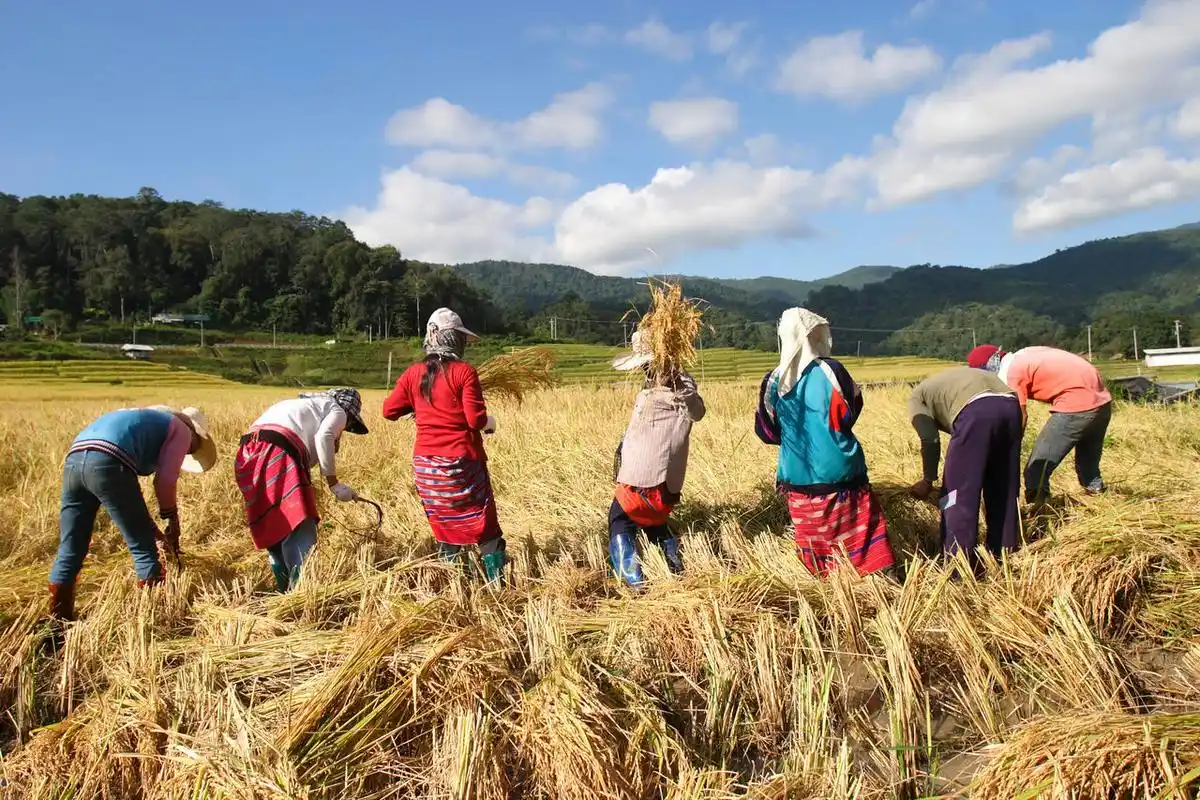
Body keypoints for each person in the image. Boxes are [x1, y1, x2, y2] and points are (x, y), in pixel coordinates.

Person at [755, 308, 894, 578]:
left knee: (815, 548)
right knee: (862, 544)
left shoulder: (773, 381)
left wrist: (794, 437)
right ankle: (876, 585)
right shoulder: (832, 370)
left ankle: (827, 589)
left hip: (797, 478)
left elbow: (766, 431)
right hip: (841, 471)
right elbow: (852, 409)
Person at [49, 405, 218, 620]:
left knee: (71, 547)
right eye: (191, 449)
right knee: (144, 549)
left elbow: (128, 505)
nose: (187, 452)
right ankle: (153, 617)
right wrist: (172, 520)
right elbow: (165, 482)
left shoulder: (145, 421)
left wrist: (151, 528)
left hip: (73, 462)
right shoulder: (182, 431)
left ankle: (57, 619)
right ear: (193, 433)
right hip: (108, 462)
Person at [382, 308, 506, 584]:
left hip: (427, 468)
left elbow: (389, 411)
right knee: (484, 525)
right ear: (454, 339)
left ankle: (454, 584)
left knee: (445, 524)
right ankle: (498, 586)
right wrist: (489, 421)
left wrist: (419, 404)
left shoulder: (413, 374)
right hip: (462, 463)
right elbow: (475, 420)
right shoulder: (464, 372)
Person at [235, 388, 369, 592]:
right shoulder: (338, 409)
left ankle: (283, 587)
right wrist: (333, 483)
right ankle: (300, 590)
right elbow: (324, 436)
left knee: (274, 520)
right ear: (349, 413)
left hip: (248, 453)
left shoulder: (303, 406)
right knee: (299, 521)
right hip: (278, 450)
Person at [609, 330, 706, 589]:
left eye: (646, 363)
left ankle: (632, 579)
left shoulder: (678, 383)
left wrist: (677, 382)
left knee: (621, 518)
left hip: (648, 473)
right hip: (648, 470)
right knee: (653, 520)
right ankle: (674, 569)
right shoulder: (654, 382)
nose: (643, 368)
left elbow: (696, 411)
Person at [968, 344, 1113, 504]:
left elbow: (1019, 416)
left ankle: (1040, 510)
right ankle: (1101, 500)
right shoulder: (1024, 354)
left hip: (1076, 405)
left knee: (1037, 469)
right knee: (1088, 464)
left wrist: (1009, 448)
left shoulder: (1010, 373)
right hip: (1102, 401)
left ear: (990, 366)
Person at [907, 366, 1023, 566]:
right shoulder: (949, 381)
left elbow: (930, 438)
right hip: (1011, 407)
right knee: (1003, 489)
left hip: (976, 411)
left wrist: (928, 480)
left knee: (956, 495)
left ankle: (957, 565)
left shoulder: (916, 398)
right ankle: (1004, 556)